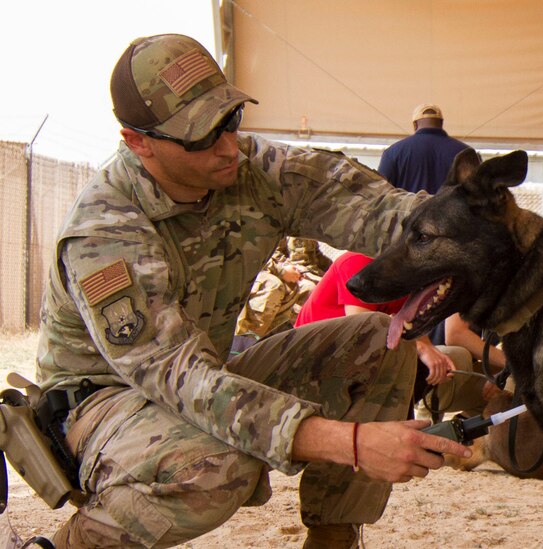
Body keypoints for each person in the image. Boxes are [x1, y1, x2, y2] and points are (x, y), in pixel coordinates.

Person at [31, 34, 471, 549]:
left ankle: (333, 540)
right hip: (100, 405)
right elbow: (178, 377)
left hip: (199, 375)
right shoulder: (106, 231)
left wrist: (487, 236)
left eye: (230, 120)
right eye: (200, 137)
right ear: (138, 142)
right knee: (218, 466)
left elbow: (378, 209)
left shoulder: (249, 170)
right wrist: (350, 442)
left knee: (380, 342)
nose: (226, 146)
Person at [295, 251, 487, 417]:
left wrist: (428, 349)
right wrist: (421, 349)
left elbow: (409, 322)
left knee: (451, 359)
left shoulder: (404, 274)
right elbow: (365, 333)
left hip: (361, 360)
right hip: (319, 366)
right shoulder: (359, 261)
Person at [233, 237, 331, 351]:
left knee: (306, 289)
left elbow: (278, 252)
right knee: (272, 285)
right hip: (245, 272)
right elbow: (248, 254)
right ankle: (243, 345)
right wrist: (282, 271)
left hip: (274, 267)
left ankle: (272, 345)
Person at [377, 103, 469, 194]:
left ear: (415, 125)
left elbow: (380, 195)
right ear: (441, 123)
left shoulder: (392, 152)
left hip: (410, 209)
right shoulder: (467, 153)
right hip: (454, 209)